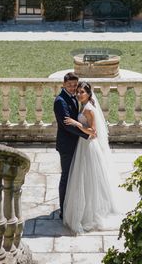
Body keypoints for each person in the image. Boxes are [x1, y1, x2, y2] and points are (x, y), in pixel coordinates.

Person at [62, 81, 123, 234]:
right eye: (78, 92)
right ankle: (83, 207)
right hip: (82, 145)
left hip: (89, 146)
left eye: (82, 92)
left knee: (89, 177)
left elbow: (93, 132)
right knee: (84, 178)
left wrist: (76, 123)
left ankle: (92, 211)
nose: (79, 94)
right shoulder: (83, 106)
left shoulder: (89, 109)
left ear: (89, 94)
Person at [53, 72, 91, 220]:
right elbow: (67, 125)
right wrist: (87, 135)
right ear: (64, 84)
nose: (73, 87)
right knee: (66, 177)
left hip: (76, 144)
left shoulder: (75, 98)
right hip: (66, 146)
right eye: (70, 85)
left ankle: (72, 205)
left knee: (75, 176)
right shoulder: (60, 101)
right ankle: (63, 210)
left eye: (75, 85)